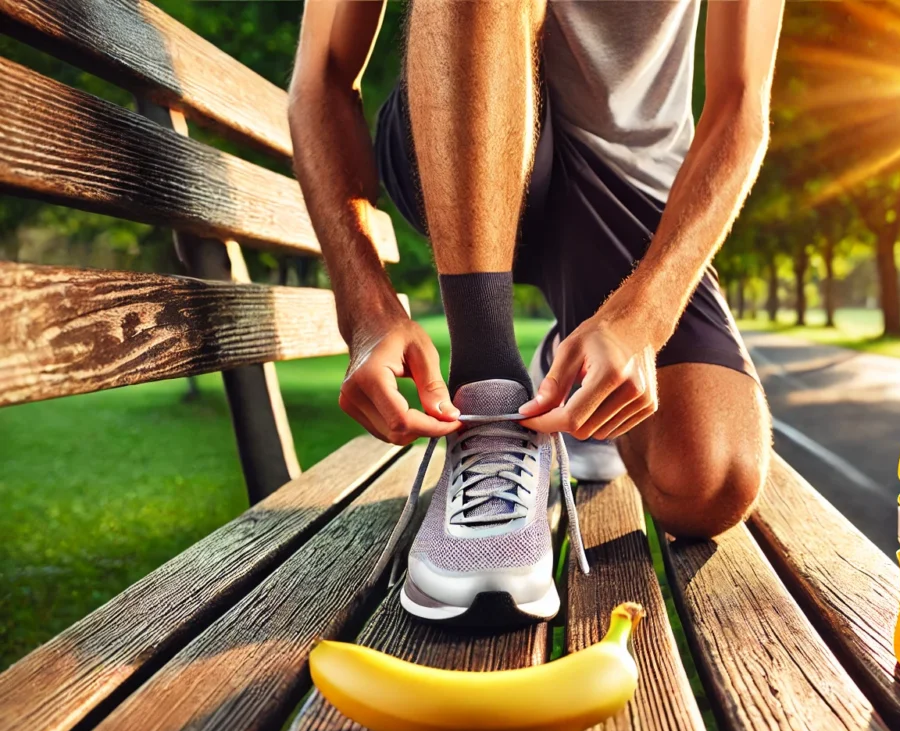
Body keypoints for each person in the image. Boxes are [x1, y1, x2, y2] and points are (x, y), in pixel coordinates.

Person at [289, 0, 783, 626]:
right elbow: (321, 78)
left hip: (629, 176)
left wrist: (645, 317)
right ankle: (488, 392)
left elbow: (741, 104)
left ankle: (564, 369)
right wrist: (364, 311)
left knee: (709, 484)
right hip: (461, 111)